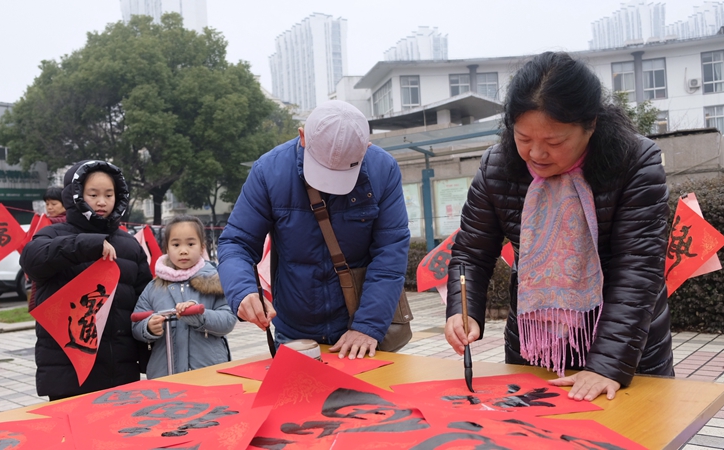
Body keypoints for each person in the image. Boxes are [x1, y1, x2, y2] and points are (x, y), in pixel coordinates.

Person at [444, 51, 674, 403]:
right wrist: (464, 311)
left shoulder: (634, 162)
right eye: (524, 138)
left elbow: (638, 269)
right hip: (534, 350)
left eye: (554, 142)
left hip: (626, 354)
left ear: (590, 125)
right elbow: (471, 254)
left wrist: (607, 365)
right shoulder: (497, 166)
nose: (536, 154)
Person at [217, 100, 410, 360]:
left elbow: (390, 252)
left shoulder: (383, 169)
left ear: (366, 147)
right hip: (295, 331)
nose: (330, 184)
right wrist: (243, 291)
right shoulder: (269, 171)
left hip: (359, 328)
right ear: (303, 136)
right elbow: (236, 242)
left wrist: (367, 326)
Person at [21, 160, 153, 401]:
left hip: (120, 370)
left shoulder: (130, 245)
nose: (102, 202)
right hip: (68, 371)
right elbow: (32, 260)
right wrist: (88, 244)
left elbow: (144, 302)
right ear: (75, 195)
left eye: (109, 195)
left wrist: (148, 356)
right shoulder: (52, 234)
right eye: (93, 195)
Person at [132, 216, 236, 378]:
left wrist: (200, 317)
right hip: (165, 373)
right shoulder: (153, 287)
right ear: (167, 248)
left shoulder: (216, 281)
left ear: (202, 247)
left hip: (208, 372)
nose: (183, 251)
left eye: (190, 244)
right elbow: (136, 324)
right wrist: (149, 327)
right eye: (176, 245)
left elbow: (228, 320)